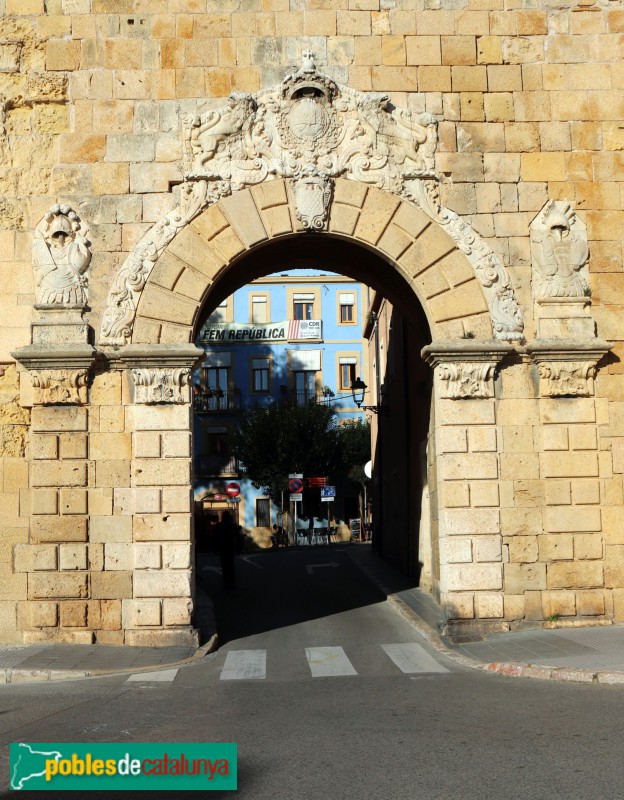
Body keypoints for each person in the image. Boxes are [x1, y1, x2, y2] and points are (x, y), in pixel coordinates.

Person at [215, 511, 238, 590]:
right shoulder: (232, 525)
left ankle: (226, 584)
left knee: (224, 567)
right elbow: (236, 535)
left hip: (222, 548)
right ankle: (232, 583)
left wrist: (216, 548)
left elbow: (215, 537)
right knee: (231, 566)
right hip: (230, 547)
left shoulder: (219, 525)